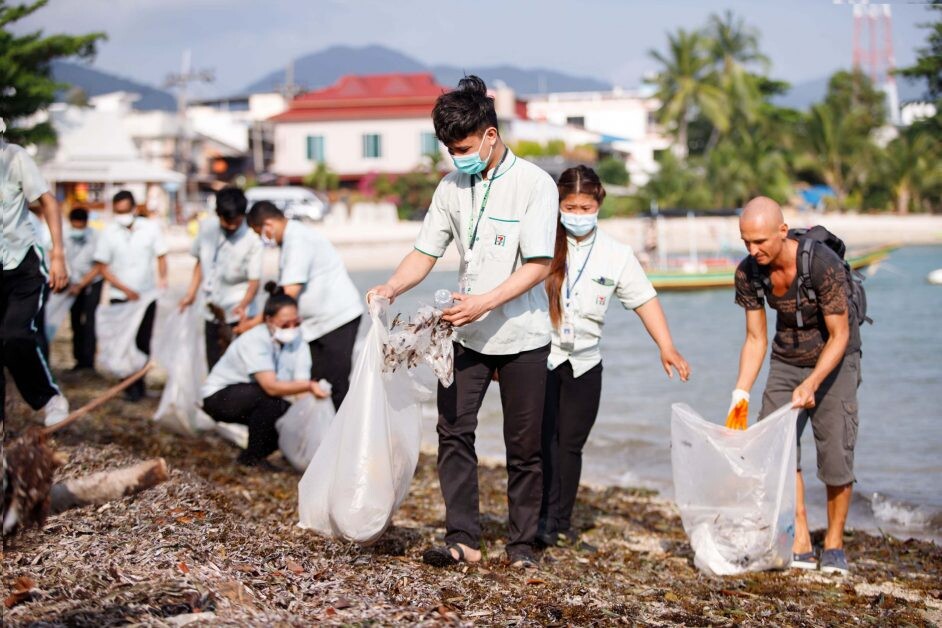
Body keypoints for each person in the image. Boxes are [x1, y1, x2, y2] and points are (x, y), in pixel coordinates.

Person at [368, 75, 559, 569]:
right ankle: (464, 539)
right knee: (452, 433)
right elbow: (424, 251)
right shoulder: (451, 188)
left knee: (525, 448)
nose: (458, 157)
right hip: (464, 332)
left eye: (465, 147)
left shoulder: (535, 184)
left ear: (491, 135)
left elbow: (538, 265)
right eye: (451, 150)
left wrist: (487, 301)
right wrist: (391, 287)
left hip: (523, 335)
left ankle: (521, 546)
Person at [540, 166, 690, 549]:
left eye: (584, 206)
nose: (576, 213)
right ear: (558, 205)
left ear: (598, 204)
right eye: (569, 206)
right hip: (541, 358)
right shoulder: (540, 240)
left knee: (570, 445)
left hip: (586, 363)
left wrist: (666, 346)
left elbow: (644, 300)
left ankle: (560, 522)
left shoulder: (616, 254)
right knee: (539, 443)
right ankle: (533, 518)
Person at [730, 196, 860, 575]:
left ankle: (834, 544)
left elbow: (840, 334)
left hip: (836, 360)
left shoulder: (821, 264)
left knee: (836, 457)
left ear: (782, 232)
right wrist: (740, 393)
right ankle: (800, 535)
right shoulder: (748, 273)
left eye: (761, 242)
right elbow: (755, 339)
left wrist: (814, 383)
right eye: (746, 242)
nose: (753, 251)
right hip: (786, 360)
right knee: (776, 451)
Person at [245, 202, 362, 411]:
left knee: (335, 383)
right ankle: (326, 434)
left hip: (336, 319)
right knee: (317, 380)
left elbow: (289, 293)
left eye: (258, 232)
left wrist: (254, 323)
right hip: (314, 325)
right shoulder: (290, 239)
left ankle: (343, 437)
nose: (261, 238)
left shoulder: (297, 240)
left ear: (268, 225)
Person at [200, 282, 329, 469]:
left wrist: (305, 414)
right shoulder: (255, 339)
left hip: (254, 395)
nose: (292, 328)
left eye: (296, 323)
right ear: (268, 320)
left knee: (287, 413)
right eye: (285, 324)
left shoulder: (298, 341)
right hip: (220, 397)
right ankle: (251, 458)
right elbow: (271, 386)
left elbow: (299, 385)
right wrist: (310, 386)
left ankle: (258, 454)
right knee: (270, 402)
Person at [0, 117, 71, 427]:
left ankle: (48, 397)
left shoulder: (15, 157)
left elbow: (48, 202)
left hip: (23, 264)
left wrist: (58, 254)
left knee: (14, 334)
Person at [93, 189, 168, 401]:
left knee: (143, 341)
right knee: (123, 343)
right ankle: (127, 385)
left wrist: (163, 279)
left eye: (126, 210)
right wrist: (125, 289)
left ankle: (140, 384)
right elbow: (102, 266)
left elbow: (161, 255)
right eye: (118, 211)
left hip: (146, 296)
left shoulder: (150, 229)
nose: (122, 215)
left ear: (134, 209)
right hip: (121, 296)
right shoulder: (108, 232)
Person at [180, 187, 262, 368]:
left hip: (239, 314)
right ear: (218, 214)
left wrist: (243, 305)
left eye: (236, 222)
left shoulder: (252, 239)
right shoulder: (208, 229)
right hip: (213, 311)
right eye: (227, 222)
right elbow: (200, 263)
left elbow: (254, 281)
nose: (232, 226)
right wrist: (190, 294)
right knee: (215, 364)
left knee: (240, 366)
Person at [64, 207, 103, 370]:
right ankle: (78, 359)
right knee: (75, 322)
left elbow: (99, 265)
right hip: (72, 285)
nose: (78, 229)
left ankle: (89, 360)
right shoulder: (65, 235)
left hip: (91, 283)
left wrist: (81, 284)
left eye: (81, 226)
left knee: (89, 322)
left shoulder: (96, 237)